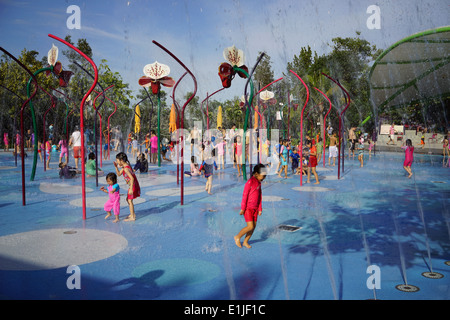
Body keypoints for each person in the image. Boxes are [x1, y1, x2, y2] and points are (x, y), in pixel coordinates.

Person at [234, 164, 267, 249]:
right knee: (250, 226)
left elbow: (260, 196)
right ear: (256, 174)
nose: (264, 178)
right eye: (263, 176)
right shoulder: (250, 182)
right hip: (248, 208)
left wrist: (260, 209)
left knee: (253, 227)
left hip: (255, 209)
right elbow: (245, 195)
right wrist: (242, 208)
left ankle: (245, 242)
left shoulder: (259, 183)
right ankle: (237, 237)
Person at [114, 152, 140, 221]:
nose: (117, 162)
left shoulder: (125, 168)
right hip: (132, 185)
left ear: (121, 160)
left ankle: (132, 217)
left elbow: (132, 178)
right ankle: (132, 214)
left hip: (132, 185)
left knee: (129, 200)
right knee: (128, 199)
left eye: (117, 160)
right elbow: (119, 174)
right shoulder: (125, 166)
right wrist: (116, 167)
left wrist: (131, 188)